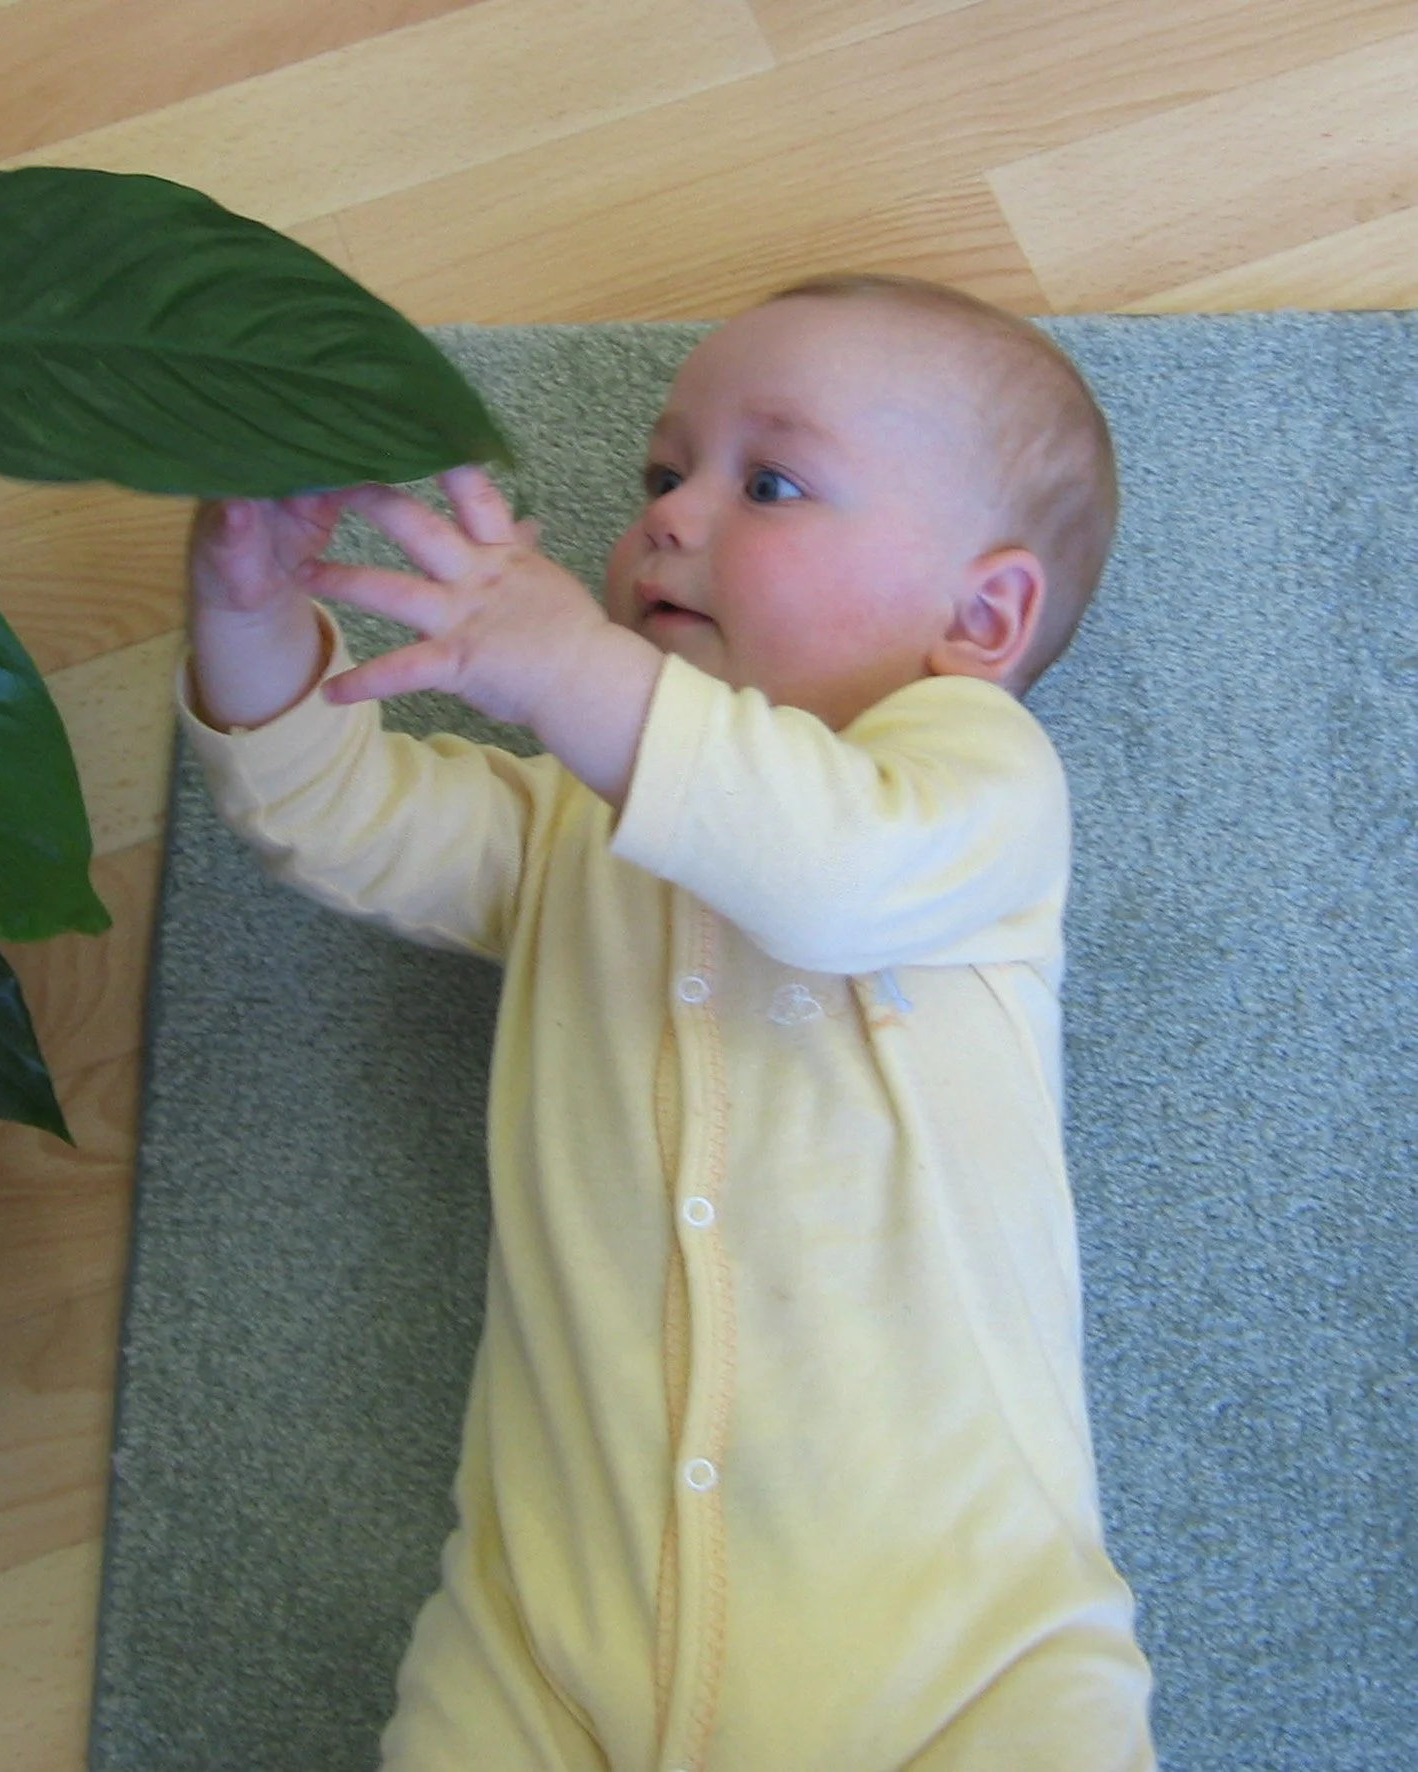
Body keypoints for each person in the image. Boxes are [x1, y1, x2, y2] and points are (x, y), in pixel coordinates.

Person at [178, 272, 1157, 1771]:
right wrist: (250, 622)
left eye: (766, 481)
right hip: (544, 1654)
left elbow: (829, 877)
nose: (667, 518)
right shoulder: (570, 827)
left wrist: (571, 667)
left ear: (980, 615)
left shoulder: (971, 782)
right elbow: (336, 819)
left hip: (961, 1657)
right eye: (659, 474)